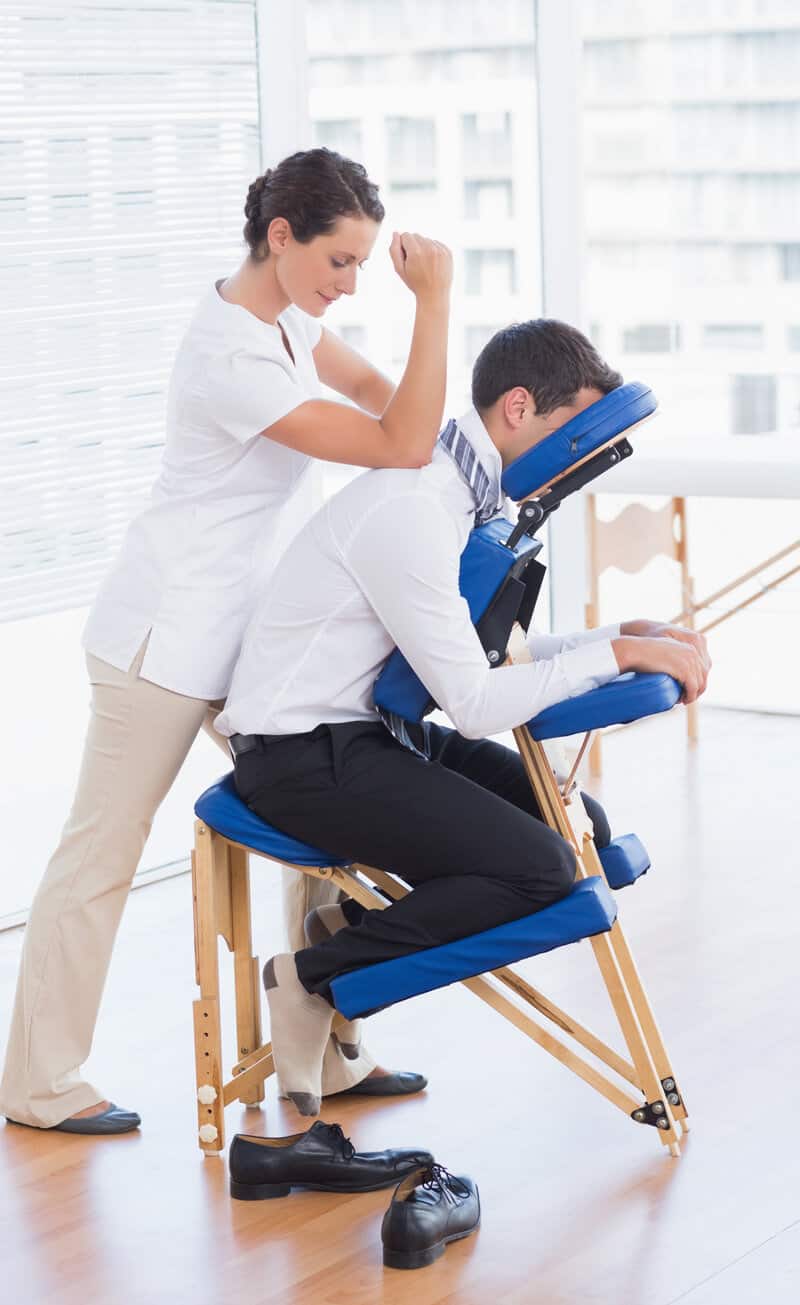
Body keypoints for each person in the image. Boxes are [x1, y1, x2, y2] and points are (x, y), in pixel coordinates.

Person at [1, 147, 453, 1133]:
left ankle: (324, 1059)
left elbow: (393, 406)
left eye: (364, 267)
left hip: (242, 633)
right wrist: (434, 306)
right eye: (338, 262)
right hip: (162, 643)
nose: (348, 286)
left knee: (324, 820)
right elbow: (400, 441)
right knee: (100, 854)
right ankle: (36, 1083)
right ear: (280, 237)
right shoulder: (231, 358)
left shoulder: (286, 319)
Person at [213, 319, 711, 1115]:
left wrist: (619, 636)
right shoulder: (413, 507)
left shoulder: (461, 499)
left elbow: (481, 652)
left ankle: (346, 923)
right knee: (540, 866)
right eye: (571, 430)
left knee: (585, 823)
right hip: (301, 757)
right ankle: (312, 978)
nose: (580, 456)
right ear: (519, 407)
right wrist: (613, 660)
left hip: (373, 735)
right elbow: (477, 704)